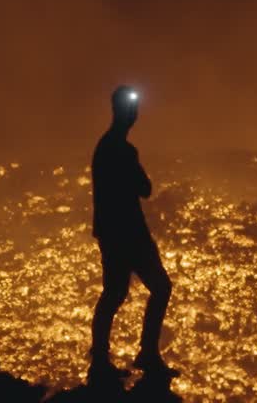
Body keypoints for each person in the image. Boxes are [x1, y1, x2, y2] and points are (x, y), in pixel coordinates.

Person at [88, 85, 178, 382]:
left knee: (114, 293)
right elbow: (145, 188)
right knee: (159, 287)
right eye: (132, 110)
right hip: (130, 233)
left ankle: (101, 359)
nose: (134, 115)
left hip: (113, 233)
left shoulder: (104, 147)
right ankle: (146, 354)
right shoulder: (122, 150)